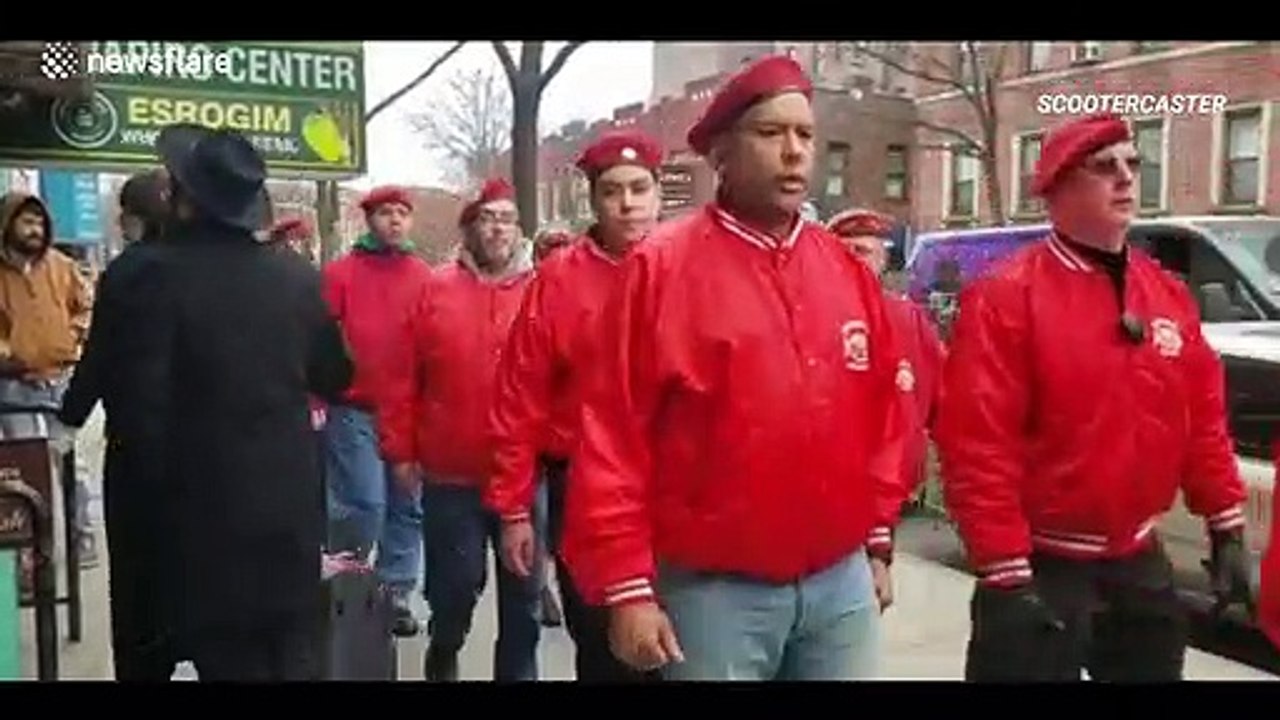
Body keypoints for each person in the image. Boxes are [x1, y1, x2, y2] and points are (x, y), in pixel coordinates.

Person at [560, 55, 908, 682]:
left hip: (840, 584)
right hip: (714, 595)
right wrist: (628, 588)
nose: (796, 151)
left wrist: (878, 540)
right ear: (721, 153)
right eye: (771, 134)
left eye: (805, 134)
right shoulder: (659, 272)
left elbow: (883, 418)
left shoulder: (845, 270)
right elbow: (613, 438)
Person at [935, 113, 1252, 682]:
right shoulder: (1006, 298)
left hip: (1137, 558)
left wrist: (1225, 525)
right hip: (1040, 564)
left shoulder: (1167, 295)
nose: (1127, 178)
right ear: (1058, 189)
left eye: (1133, 163)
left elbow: (1202, 418)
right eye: (1104, 167)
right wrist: (1005, 571)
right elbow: (977, 444)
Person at [142, 123, 353, 680]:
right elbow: (337, 375)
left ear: (189, 201)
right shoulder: (297, 278)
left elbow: (147, 411)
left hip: (206, 515)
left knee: (230, 661)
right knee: (293, 655)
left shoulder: (162, 280)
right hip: (290, 506)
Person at [486, 129, 666, 683]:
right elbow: (519, 398)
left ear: (658, 194)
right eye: (613, 191)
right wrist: (515, 509)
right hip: (583, 486)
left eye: (640, 188)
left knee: (680, 644)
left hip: (678, 486)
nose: (628, 203)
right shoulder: (560, 282)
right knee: (604, 643)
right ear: (593, 200)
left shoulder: (683, 268)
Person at [379, 178, 541, 682]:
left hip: (524, 476)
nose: (497, 229)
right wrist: (400, 450)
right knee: (455, 589)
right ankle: (444, 646)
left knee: (524, 602)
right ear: (469, 228)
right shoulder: (434, 289)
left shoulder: (541, 290)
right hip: (452, 474)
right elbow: (401, 376)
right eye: (486, 218)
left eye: (506, 219)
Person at [59, 168, 184, 680]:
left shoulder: (128, 272)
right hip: (209, 450)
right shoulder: (210, 267)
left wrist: (69, 418)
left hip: (136, 448)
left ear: (136, 218)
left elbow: (101, 356)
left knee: (137, 577)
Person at [321, 186, 432, 637]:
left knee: (407, 505)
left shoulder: (424, 275)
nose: (395, 221)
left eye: (402, 213)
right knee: (363, 502)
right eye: (385, 213)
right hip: (355, 407)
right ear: (369, 219)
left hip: (410, 408)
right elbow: (322, 336)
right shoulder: (340, 274)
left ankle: (396, 591)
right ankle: (344, 578)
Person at [0, 190, 95, 576]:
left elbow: (86, 306)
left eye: (39, 222)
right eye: (26, 221)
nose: (34, 229)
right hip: (14, 386)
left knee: (73, 464)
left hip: (61, 381)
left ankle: (80, 535)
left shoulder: (61, 266)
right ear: (8, 225)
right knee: (25, 466)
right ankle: (33, 550)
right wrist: (7, 354)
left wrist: (73, 336)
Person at [828, 208, 944, 500]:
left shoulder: (908, 319)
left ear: (882, 259)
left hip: (893, 490)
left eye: (864, 251)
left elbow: (946, 395)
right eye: (847, 251)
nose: (855, 260)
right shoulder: (810, 316)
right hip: (828, 488)